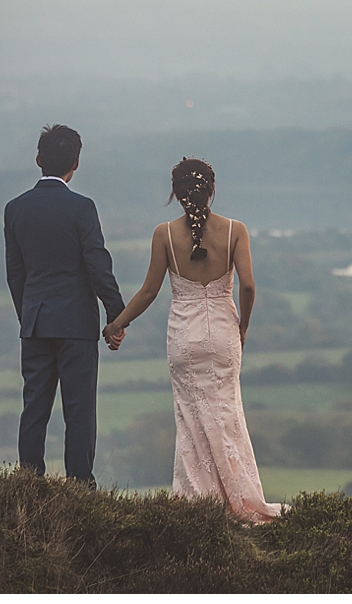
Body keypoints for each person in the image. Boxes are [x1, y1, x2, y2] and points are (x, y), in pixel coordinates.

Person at [102, 157, 283, 522]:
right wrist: (243, 325)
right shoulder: (235, 230)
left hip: (183, 338)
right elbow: (247, 284)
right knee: (227, 415)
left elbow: (149, 291)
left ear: (176, 194)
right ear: (212, 191)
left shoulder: (164, 235)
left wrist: (116, 324)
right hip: (223, 335)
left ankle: (199, 502)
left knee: (190, 419)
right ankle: (240, 500)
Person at [4, 124, 126, 486]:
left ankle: (30, 483)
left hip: (36, 322)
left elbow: (15, 275)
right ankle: (80, 487)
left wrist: (28, 316)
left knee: (34, 409)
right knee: (79, 411)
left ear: (38, 160)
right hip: (76, 325)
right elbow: (97, 264)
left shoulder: (15, 209)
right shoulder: (82, 208)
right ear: (76, 163)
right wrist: (116, 316)